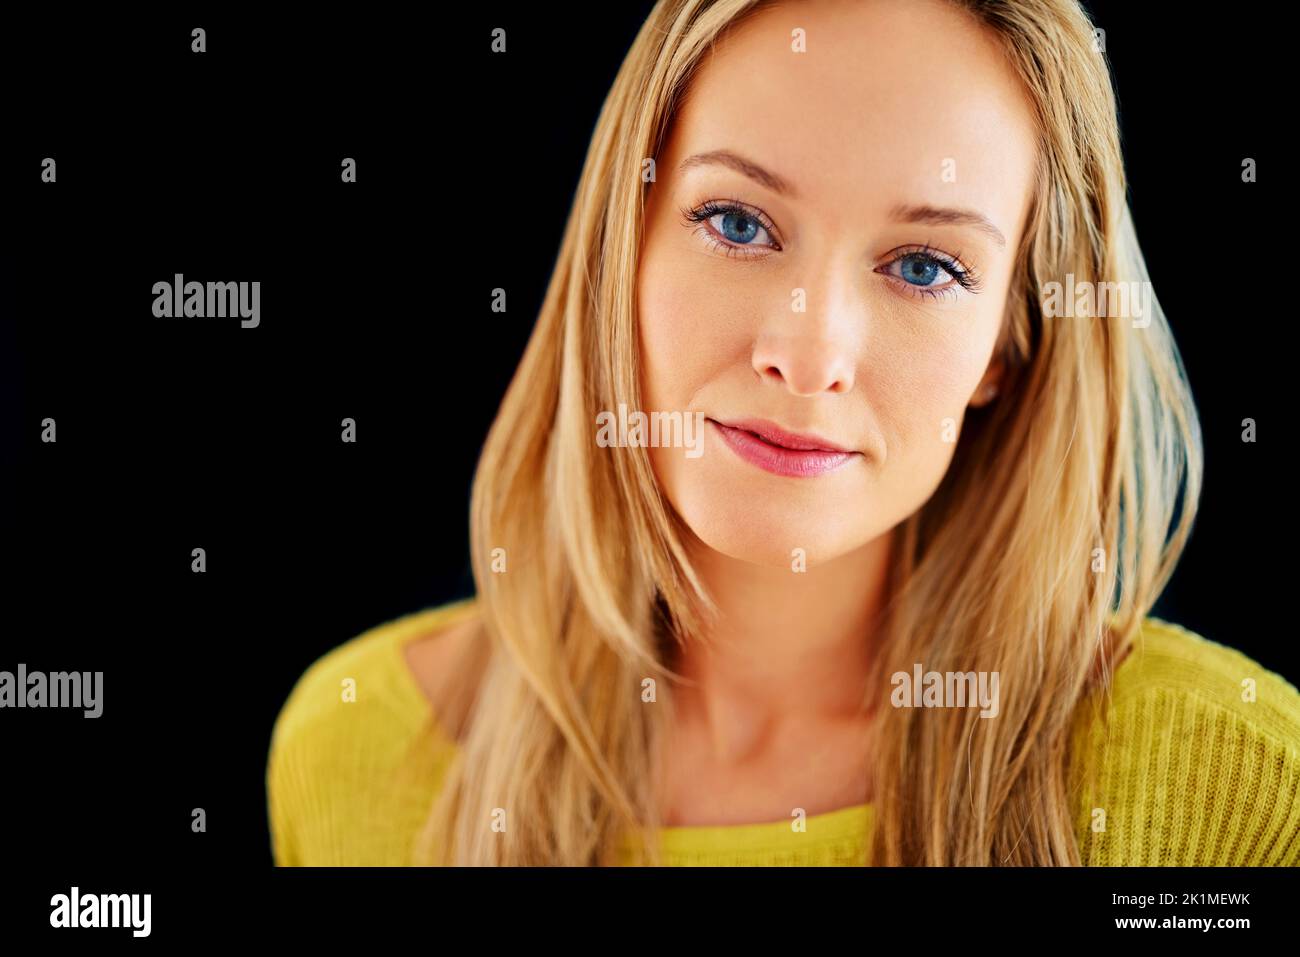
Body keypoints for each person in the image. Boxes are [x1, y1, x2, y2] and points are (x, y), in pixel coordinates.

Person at [268, 0, 1300, 866]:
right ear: (618, 250)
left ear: (1004, 351)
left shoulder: (1238, 785)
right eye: (738, 223)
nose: (806, 358)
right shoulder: (359, 746)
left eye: (924, 267)